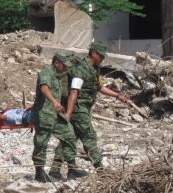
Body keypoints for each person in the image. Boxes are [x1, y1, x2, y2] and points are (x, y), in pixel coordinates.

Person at [49, 42, 129, 180]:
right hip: (78, 110)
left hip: (82, 108)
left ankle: (59, 170)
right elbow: (74, 92)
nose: (103, 58)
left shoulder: (94, 69)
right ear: (93, 53)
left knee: (70, 139)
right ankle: (100, 170)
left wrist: (117, 95)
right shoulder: (81, 70)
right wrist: (68, 113)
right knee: (89, 137)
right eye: (101, 55)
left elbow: (100, 87)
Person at [31, 52, 86, 183]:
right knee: (41, 143)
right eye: (64, 65)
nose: (66, 68)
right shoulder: (47, 73)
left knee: (69, 135)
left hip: (56, 115)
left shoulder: (58, 76)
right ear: (56, 63)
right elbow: (44, 88)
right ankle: (39, 172)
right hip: (43, 115)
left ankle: (72, 168)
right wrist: (55, 101)